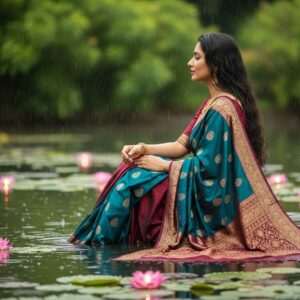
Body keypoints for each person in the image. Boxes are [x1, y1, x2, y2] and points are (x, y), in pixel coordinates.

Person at [69, 32, 300, 262]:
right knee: (129, 171)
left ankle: (94, 249)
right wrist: (145, 148)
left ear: (216, 64)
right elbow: (181, 145)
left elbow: (211, 170)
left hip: (213, 200)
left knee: (132, 182)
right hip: (195, 184)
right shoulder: (211, 103)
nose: (190, 63)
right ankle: (97, 243)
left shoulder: (223, 108)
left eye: (197, 57)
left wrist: (164, 167)